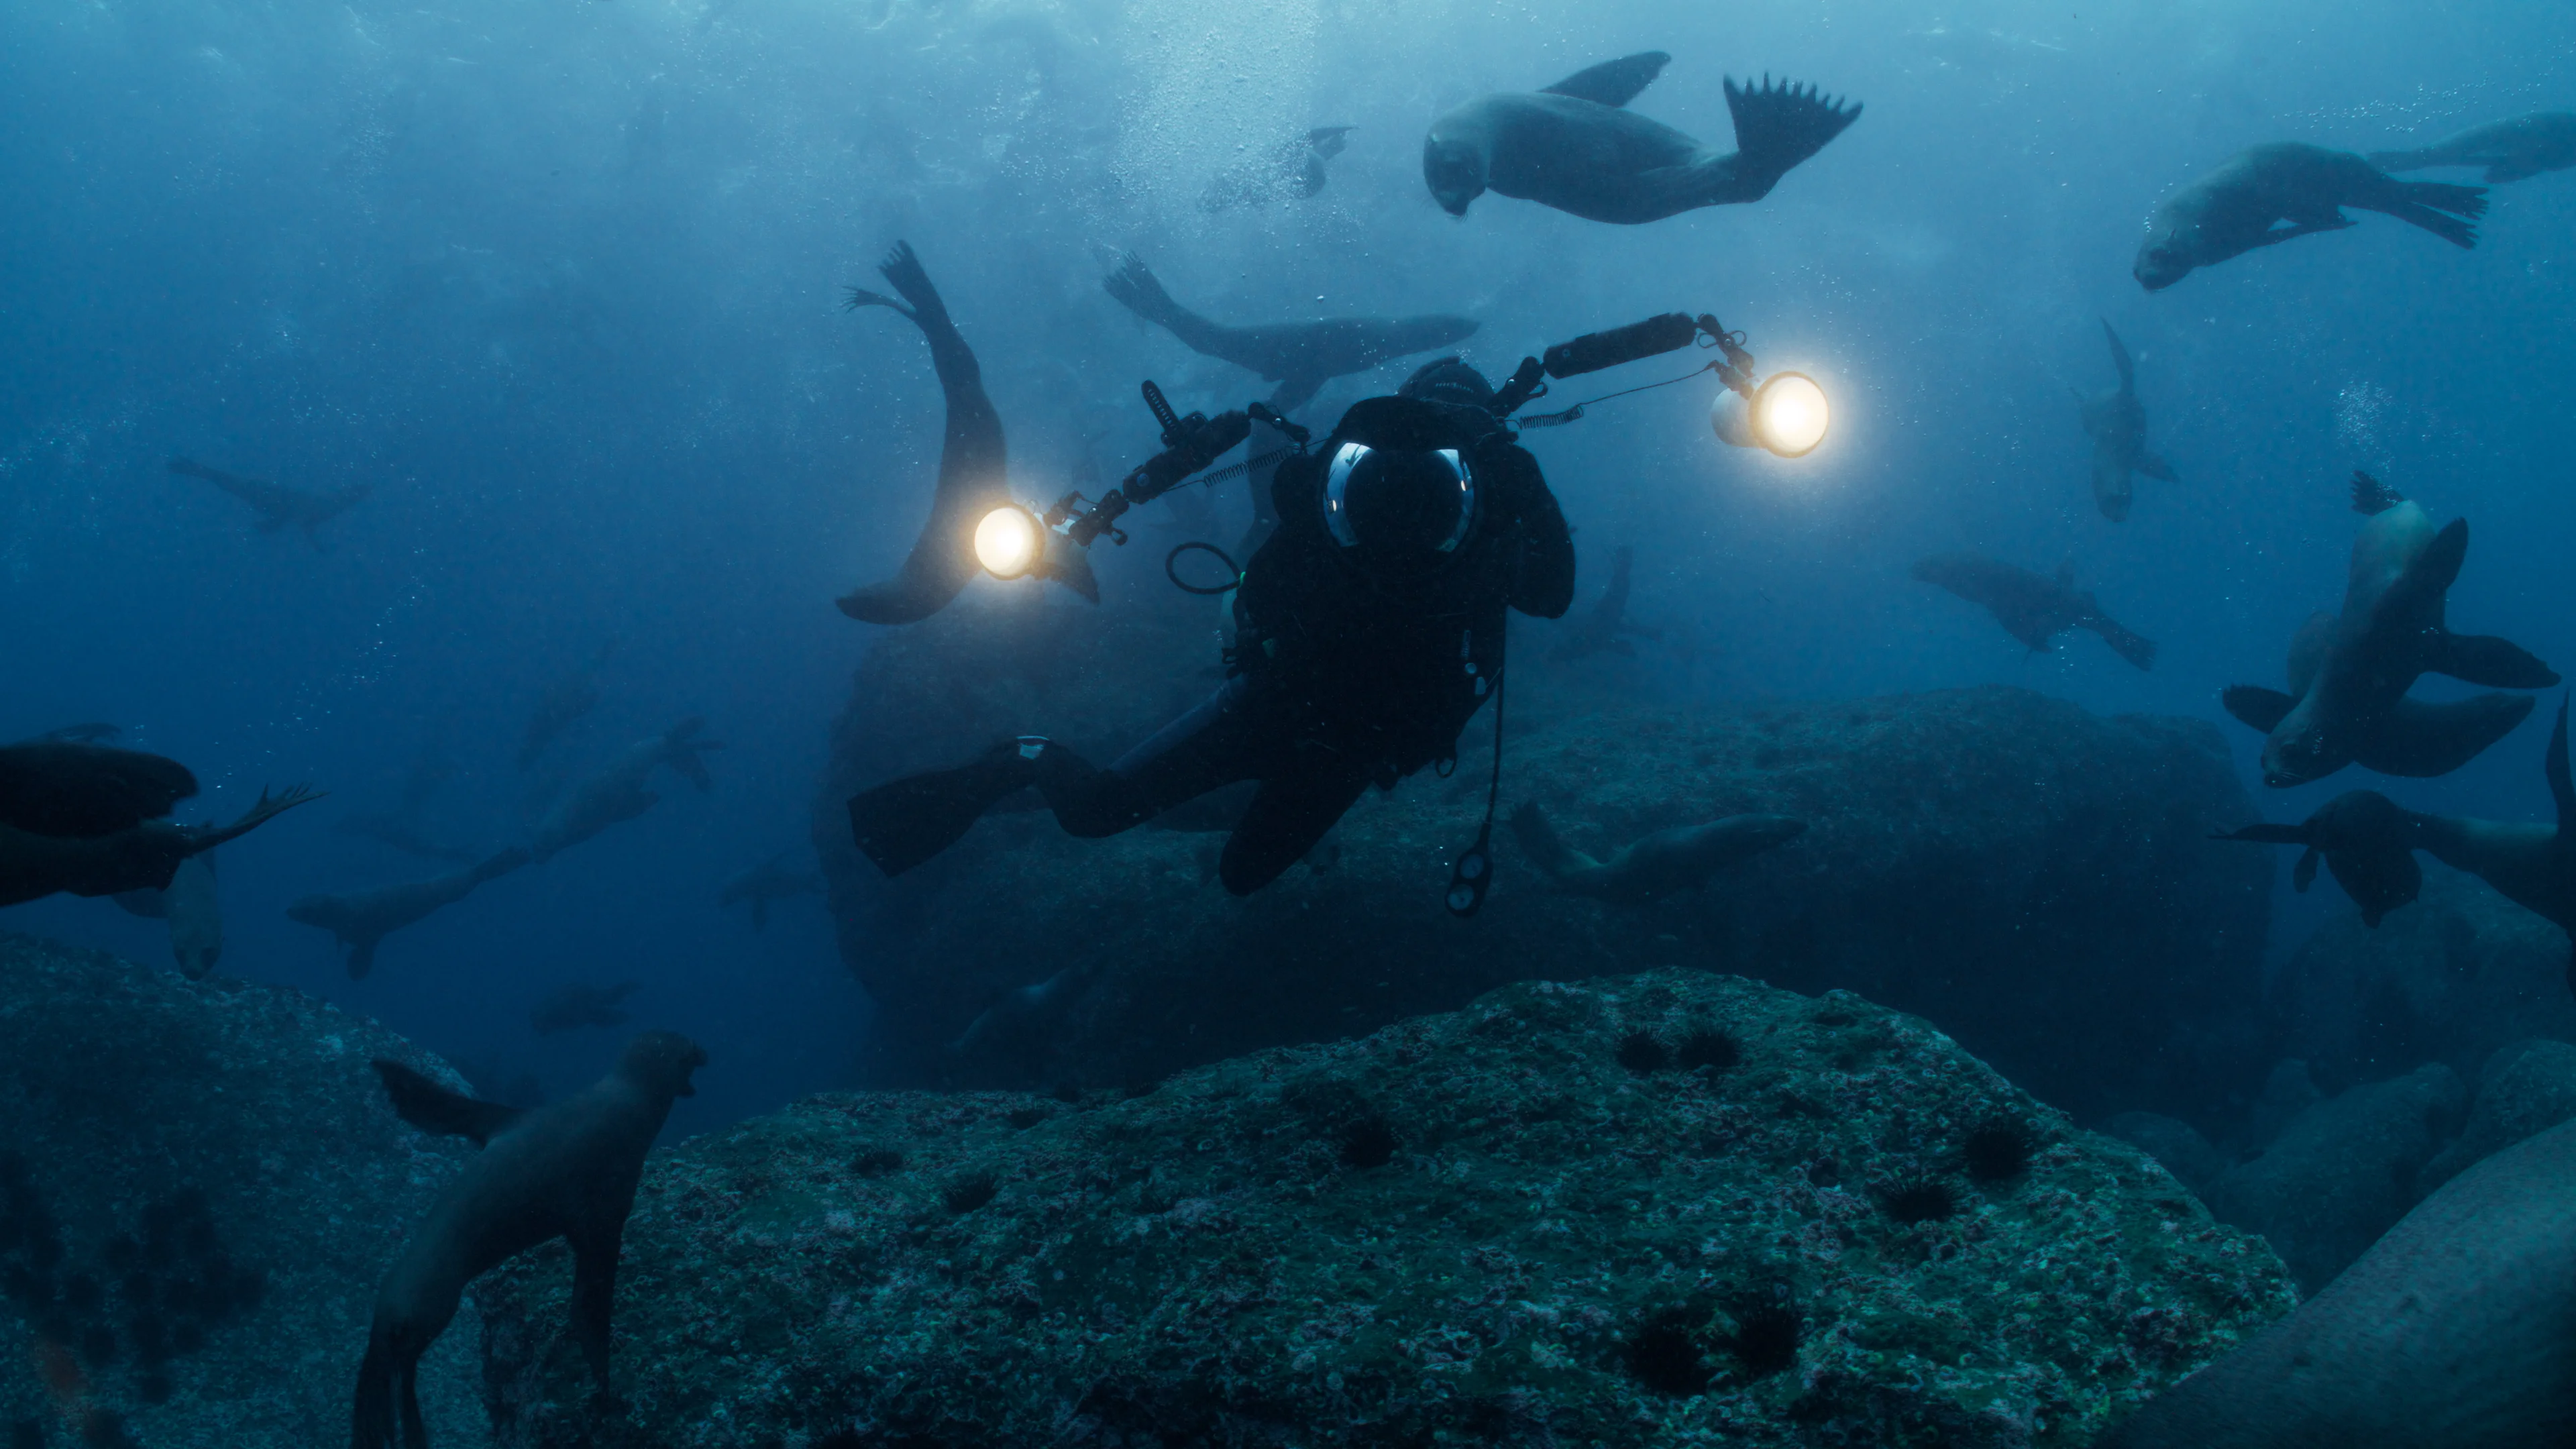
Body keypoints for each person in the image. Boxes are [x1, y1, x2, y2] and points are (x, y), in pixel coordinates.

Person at [847, 358, 1576, 895]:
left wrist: (1518, 489)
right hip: (1292, 707)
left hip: (1346, 739)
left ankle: (1208, 794)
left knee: (1235, 873)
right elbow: (1550, 595)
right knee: (1121, 821)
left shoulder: (1465, 497)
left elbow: (1549, 596)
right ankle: (1018, 759)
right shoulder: (1400, 487)